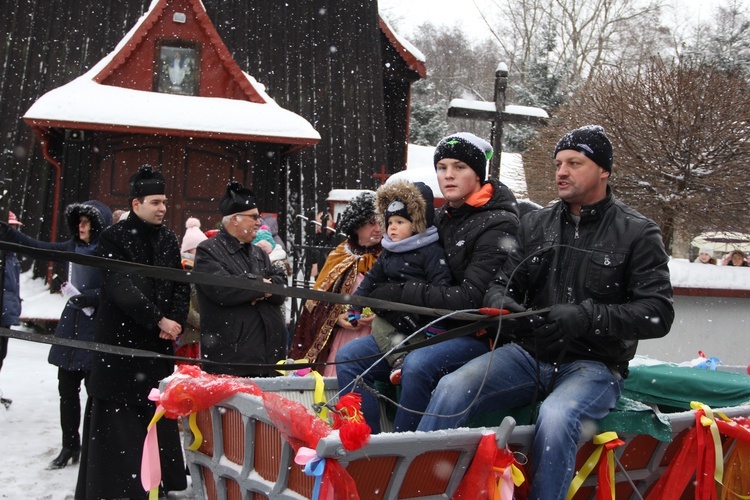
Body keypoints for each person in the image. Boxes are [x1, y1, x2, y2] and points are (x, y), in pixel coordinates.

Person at [417, 125, 675, 499]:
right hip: (529, 354)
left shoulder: (637, 232)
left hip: (595, 365)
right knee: (452, 386)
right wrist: (501, 300)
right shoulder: (534, 224)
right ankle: (423, 487)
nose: (562, 172)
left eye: (575, 163)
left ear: (604, 170)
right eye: (558, 163)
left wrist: (589, 316)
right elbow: (502, 283)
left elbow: (658, 313)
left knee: (556, 417)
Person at [336, 132, 520, 433]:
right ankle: (363, 443)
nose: (448, 175)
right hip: (421, 327)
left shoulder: (498, 222)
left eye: (459, 167)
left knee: (418, 364)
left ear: (478, 172)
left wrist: (396, 293)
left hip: (473, 335)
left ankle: (405, 453)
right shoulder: (444, 216)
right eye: (442, 167)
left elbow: (472, 299)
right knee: (350, 357)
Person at [76, 165, 189, 499]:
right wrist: (158, 320)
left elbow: (180, 284)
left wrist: (175, 321)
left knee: (157, 418)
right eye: (155, 202)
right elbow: (122, 288)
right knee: (120, 433)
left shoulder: (169, 238)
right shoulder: (114, 237)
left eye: (164, 202)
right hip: (121, 354)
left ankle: (162, 485)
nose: (162, 208)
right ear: (137, 204)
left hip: (157, 351)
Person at [1, 201, 113, 469]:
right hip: (71, 324)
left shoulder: (110, 252)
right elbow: (40, 248)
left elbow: (118, 289)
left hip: (97, 327)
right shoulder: (74, 247)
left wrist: (91, 296)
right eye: (79, 221)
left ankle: (97, 450)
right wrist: (8, 233)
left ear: (99, 224)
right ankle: (69, 445)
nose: (81, 226)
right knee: (67, 390)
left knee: (95, 393)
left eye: (87, 221)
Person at [347, 180, 452, 385]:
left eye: (400, 222)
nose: (392, 228)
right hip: (394, 316)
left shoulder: (430, 251)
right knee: (379, 325)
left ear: (417, 224)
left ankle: (414, 353)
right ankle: (398, 360)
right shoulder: (389, 252)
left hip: (421, 315)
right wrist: (356, 303)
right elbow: (372, 279)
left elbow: (441, 284)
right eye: (390, 222)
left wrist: (435, 318)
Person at [193, 181, 288, 377]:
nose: (259, 223)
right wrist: (260, 285)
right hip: (233, 358)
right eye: (253, 217)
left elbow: (280, 288)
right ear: (235, 219)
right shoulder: (208, 251)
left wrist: (256, 287)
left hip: (269, 356)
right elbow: (223, 290)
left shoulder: (258, 253)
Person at [288, 192, 383, 377]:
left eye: (381, 222)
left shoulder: (390, 257)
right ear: (357, 225)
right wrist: (336, 318)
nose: (379, 228)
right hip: (343, 339)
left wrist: (378, 314)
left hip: (378, 338)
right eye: (372, 223)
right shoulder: (339, 256)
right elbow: (317, 305)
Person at [0, 211, 23, 409]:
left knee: (1, 354)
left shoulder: (11, 256)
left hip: (6, 314)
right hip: (3, 312)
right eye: (11, 227)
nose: (14, 231)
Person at [177, 217, 208, 361]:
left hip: (199, 335)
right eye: (199, 247)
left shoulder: (203, 268)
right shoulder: (184, 268)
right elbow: (182, 301)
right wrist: (201, 322)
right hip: (188, 335)